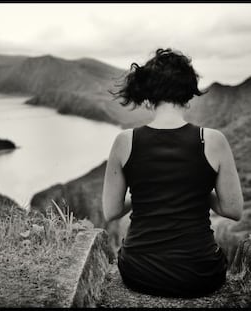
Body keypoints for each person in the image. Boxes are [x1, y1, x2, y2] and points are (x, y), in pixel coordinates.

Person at [102, 48, 244, 298]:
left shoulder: (125, 141)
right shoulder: (213, 140)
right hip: (200, 273)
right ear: (188, 94)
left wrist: (149, 194)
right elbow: (232, 210)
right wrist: (196, 191)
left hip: (139, 270)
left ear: (148, 95)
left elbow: (111, 211)